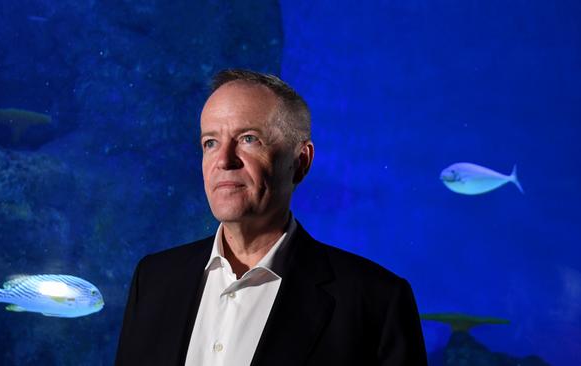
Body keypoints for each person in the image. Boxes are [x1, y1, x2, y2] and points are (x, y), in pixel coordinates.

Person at [115, 69, 428, 366]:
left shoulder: (375, 302)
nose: (224, 160)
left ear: (301, 161)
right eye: (210, 142)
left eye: (249, 138)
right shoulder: (153, 280)